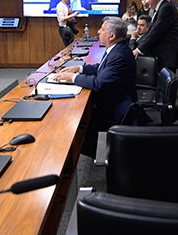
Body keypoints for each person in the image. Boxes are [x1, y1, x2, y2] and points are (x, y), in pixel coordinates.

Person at [54, 17, 138, 157]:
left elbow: (99, 83)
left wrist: (72, 78)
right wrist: (79, 68)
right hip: (112, 104)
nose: (98, 31)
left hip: (115, 113)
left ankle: (102, 157)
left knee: (70, 130)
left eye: (103, 29)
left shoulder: (119, 55)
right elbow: (101, 68)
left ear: (112, 36)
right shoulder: (116, 49)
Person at [134, 0, 178, 71]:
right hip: (163, 54)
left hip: (168, 56)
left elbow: (156, 32)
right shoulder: (161, 8)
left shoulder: (166, 8)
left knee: (165, 83)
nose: (145, 2)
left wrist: (138, 50)